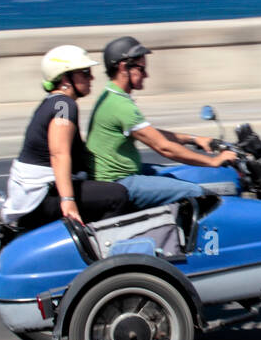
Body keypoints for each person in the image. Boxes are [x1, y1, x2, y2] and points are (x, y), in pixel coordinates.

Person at [86, 35, 238, 210]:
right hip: (118, 183)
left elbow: (151, 133)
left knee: (179, 174)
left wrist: (194, 139)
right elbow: (163, 146)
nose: (146, 75)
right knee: (198, 193)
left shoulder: (112, 96)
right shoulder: (120, 105)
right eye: (142, 69)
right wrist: (212, 161)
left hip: (122, 176)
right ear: (123, 67)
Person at [0, 45, 130, 231]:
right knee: (117, 196)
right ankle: (108, 254)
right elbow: (59, 154)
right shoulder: (64, 105)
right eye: (85, 72)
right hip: (42, 196)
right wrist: (68, 201)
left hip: (35, 193)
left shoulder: (51, 102)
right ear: (65, 78)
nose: (91, 77)